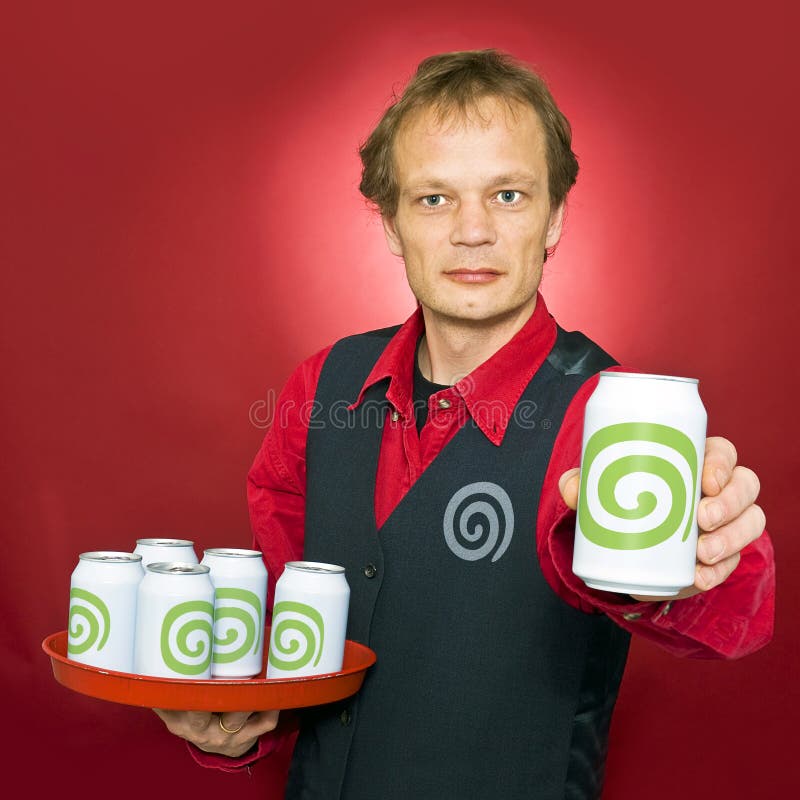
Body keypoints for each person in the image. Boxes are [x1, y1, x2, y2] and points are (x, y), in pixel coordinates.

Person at [153, 50, 774, 798]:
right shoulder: (324, 385)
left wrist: (696, 566)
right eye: (434, 199)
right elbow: (289, 632)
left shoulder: (612, 413)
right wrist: (236, 722)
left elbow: (730, 609)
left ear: (556, 217)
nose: (472, 231)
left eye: (508, 194)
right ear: (390, 223)